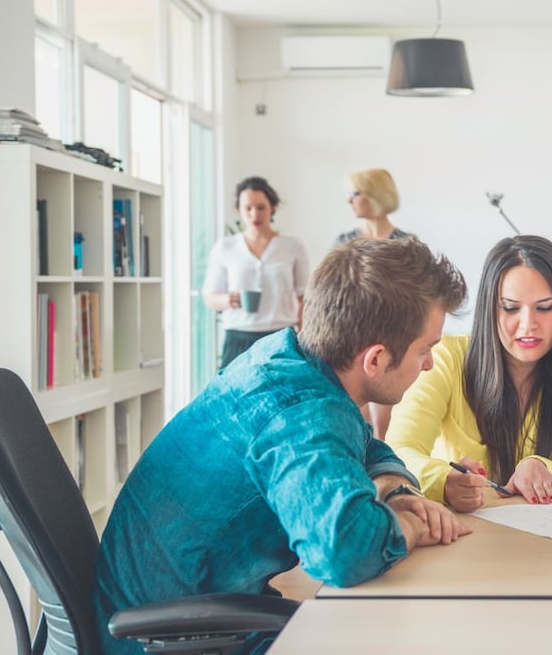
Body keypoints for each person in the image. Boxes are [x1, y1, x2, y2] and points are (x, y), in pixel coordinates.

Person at [94, 238, 471, 655]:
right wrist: (413, 526)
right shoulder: (303, 415)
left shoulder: (290, 357)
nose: (430, 364)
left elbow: (364, 447)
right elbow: (343, 551)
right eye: (425, 350)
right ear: (376, 359)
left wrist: (396, 492)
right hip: (166, 639)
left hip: (183, 612)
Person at [385, 235, 552, 512]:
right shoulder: (445, 359)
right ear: (489, 309)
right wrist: (443, 480)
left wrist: (542, 467)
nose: (528, 324)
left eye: (544, 308)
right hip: (465, 538)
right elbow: (398, 451)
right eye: (510, 308)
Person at [202, 176, 311, 369]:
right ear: (239, 210)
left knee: (283, 397)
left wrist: (304, 340)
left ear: (273, 207)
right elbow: (210, 297)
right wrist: (229, 300)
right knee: (234, 398)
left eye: (261, 207)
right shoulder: (225, 247)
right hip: (238, 338)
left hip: (281, 338)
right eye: (248, 208)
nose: (254, 214)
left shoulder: (292, 246)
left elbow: (304, 298)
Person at [336, 168, 413, 243]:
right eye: (349, 194)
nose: (349, 200)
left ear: (376, 195)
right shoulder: (345, 242)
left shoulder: (406, 244)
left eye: (355, 194)